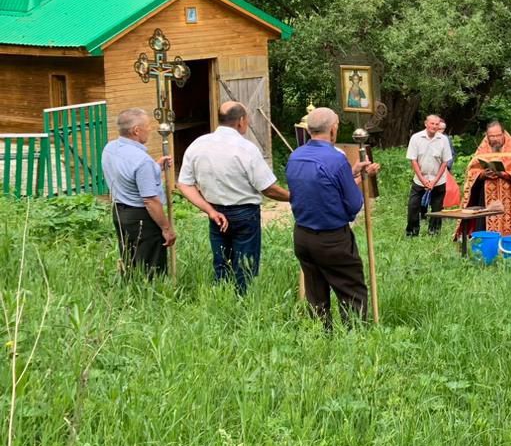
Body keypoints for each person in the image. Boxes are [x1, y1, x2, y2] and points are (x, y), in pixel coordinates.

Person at [176, 101, 290, 294]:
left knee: (221, 261)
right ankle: (243, 301)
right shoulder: (246, 148)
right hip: (244, 213)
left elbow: (184, 183)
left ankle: (221, 298)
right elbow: (267, 189)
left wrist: (209, 210)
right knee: (245, 264)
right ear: (241, 121)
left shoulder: (198, 144)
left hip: (215, 211)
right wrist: (292, 197)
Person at [285, 107, 380, 327]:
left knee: (316, 293)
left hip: (303, 236)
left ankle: (321, 339)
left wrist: (352, 173)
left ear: (309, 129)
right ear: (333, 129)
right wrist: (357, 179)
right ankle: (354, 340)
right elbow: (353, 204)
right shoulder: (336, 159)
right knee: (351, 291)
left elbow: (319, 188)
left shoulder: (296, 156)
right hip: (332, 239)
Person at [101, 108, 175, 278]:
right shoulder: (142, 161)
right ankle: (153, 297)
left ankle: (131, 294)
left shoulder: (110, 149)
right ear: (136, 130)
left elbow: (126, 176)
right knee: (152, 264)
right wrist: (166, 228)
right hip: (142, 216)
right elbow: (150, 201)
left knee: (130, 258)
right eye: (147, 126)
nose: (150, 129)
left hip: (119, 212)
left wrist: (154, 169)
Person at [460, 121, 511, 250]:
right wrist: (482, 175)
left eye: (497, 135)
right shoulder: (482, 153)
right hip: (484, 199)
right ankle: (485, 253)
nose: (494, 139)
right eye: (491, 136)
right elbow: (471, 174)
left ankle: (509, 251)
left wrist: (505, 174)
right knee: (484, 228)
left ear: (503, 134)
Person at [405, 114, 453, 237]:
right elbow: (413, 160)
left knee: (437, 209)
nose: (434, 126)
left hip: (438, 180)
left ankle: (434, 232)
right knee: (413, 206)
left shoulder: (443, 140)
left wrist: (434, 181)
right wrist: (423, 179)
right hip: (420, 179)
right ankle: (412, 232)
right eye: (432, 123)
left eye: (437, 124)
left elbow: (445, 162)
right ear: (426, 124)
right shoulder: (416, 138)